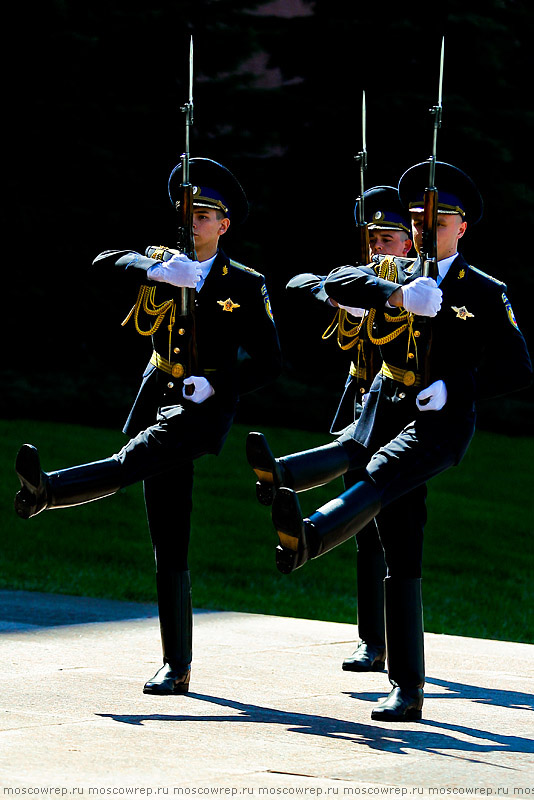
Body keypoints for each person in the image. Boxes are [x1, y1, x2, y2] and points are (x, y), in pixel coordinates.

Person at [247, 161, 532, 721]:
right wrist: (398, 295)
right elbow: (337, 281)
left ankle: (310, 536)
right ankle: (408, 689)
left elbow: (519, 366)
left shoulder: (483, 290)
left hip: (440, 423)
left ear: (462, 228)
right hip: (388, 407)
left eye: (439, 223)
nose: (426, 232)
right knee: (400, 541)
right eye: (420, 223)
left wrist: (457, 386)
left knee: (379, 477)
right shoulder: (396, 272)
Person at [14, 157, 282, 696]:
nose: (192, 222)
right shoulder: (162, 262)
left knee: (131, 464)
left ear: (223, 225)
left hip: (199, 411)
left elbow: (271, 362)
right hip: (156, 396)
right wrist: (154, 270)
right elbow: (102, 260)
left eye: (203, 214)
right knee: (168, 530)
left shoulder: (245, 284)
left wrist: (218, 385)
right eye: (186, 213)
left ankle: (50, 492)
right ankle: (176, 663)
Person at [275, 186, 413, 675]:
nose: (379, 247)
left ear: (409, 243)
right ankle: (371, 641)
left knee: (391, 534)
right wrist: (337, 296)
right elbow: (296, 283)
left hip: (400, 418)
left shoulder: (418, 287)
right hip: (359, 408)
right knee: (364, 532)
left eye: (390, 238)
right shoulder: (354, 281)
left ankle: (283, 474)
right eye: (373, 238)